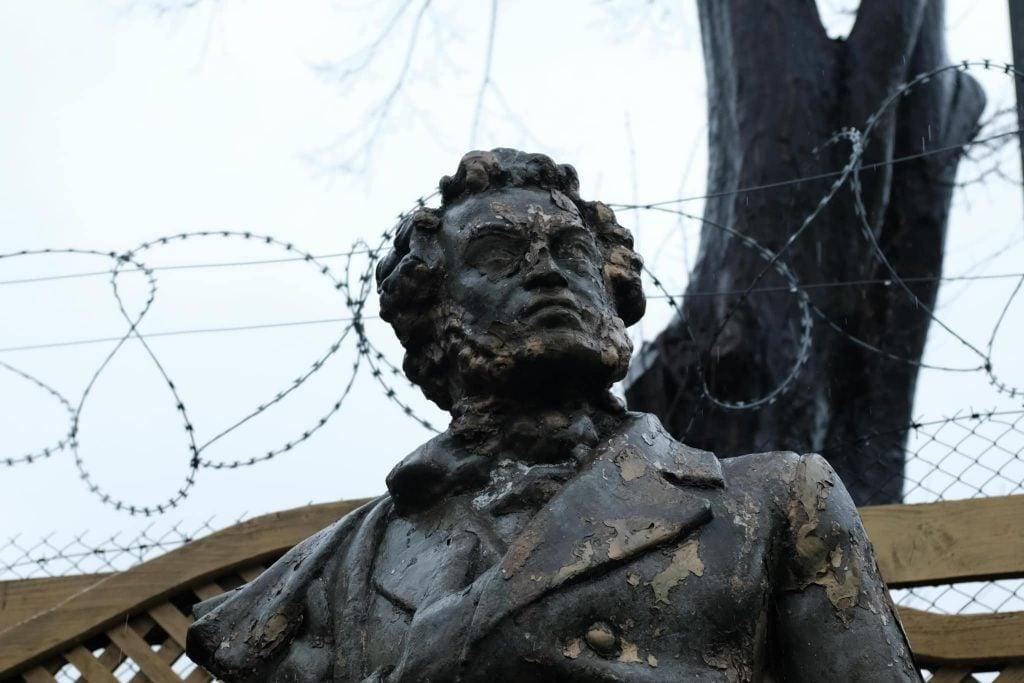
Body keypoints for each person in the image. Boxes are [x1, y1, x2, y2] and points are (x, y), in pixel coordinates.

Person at [186, 149, 920, 682]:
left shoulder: (772, 503)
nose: (546, 271)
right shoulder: (334, 571)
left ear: (612, 291)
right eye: (499, 257)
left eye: (570, 251)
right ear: (432, 316)